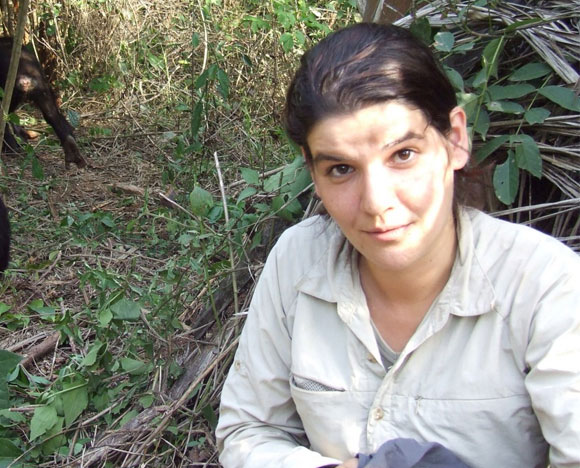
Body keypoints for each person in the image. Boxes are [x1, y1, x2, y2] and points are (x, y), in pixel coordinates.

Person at [215, 22, 580, 468]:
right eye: (341, 169)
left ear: (455, 140)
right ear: (313, 173)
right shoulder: (297, 262)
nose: (376, 203)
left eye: (402, 155)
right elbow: (248, 431)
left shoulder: (546, 286)